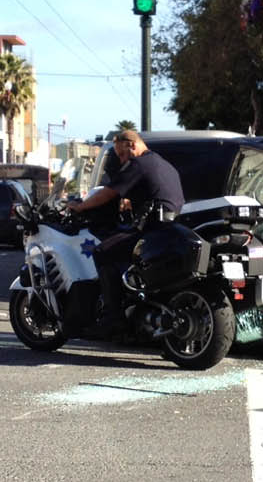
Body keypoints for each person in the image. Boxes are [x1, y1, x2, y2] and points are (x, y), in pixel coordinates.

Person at [73, 129, 185, 336]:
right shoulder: (163, 164)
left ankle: (113, 318)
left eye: (122, 154)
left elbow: (108, 192)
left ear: (131, 145)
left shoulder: (139, 164)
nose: (122, 160)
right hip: (170, 228)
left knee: (103, 252)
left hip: (153, 229)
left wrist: (80, 207)